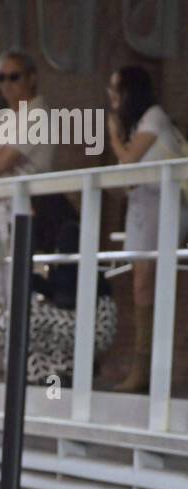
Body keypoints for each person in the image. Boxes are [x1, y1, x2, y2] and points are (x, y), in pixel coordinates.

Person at [106, 65, 188, 392]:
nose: (112, 98)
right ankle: (144, 367)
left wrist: (112, 135)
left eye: (116, 90)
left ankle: (149, 367)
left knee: (147, 281)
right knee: (141, 282)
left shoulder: (153, 117)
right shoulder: (141, 122)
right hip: (144, 205)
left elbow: (129, 160)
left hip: (162, 204)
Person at [0, 50, 55, 312]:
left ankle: (26, 353)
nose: (6, 84)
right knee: (1, 295)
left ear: (31, 78)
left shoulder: (37, 114)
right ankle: (8, 351)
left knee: (20, 289)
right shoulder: (10, 118)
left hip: (20, 211)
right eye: (1, 78)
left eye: (14, 77)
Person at [0, 217, 117, 383]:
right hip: (76, 336)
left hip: (88, 327)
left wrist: (38, 281)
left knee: (15, 325)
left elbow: (66, 296)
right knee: (38, 355)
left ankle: (51, 390)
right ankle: (50, 390)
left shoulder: (79, 272)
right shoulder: (85, 274)